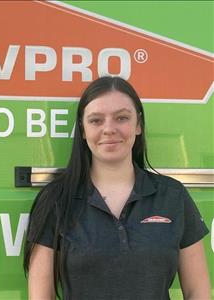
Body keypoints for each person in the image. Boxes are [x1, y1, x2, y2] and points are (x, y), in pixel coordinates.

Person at [23, 76, 211, 300]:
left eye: (121, 118)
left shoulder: (172, 196)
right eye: (96, 120)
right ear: (82, 130)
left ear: (138, 124)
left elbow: (197, 292)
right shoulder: (56, 199)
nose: (109, 129)